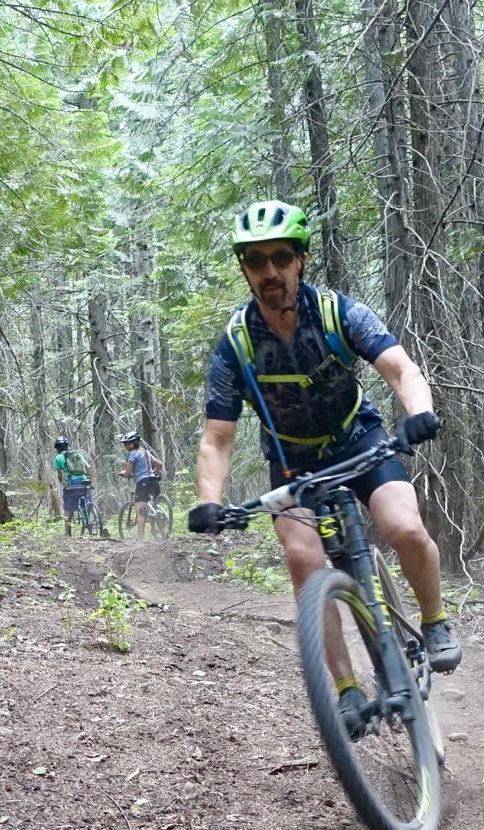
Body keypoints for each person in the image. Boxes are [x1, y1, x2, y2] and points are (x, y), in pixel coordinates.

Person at [185, 200, 461, 731]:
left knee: (403, 526)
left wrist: (419, 413)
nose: (270, 272)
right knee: (304, 563)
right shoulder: (236, 347)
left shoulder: (340, 313)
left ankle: (435, 621)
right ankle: (346, 689)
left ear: (301, 260)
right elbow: (218, 438)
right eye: (256, 261)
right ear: (244, 268)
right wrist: (209, 501)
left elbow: (401, 369)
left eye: (281, 257)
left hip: (358, 439)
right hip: (292, 463)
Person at [120, 432, 164, 526]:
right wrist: (154, 472)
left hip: (142, 483)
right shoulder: (145, 452)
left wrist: (124, 473)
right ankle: (159, 531)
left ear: (132, 444)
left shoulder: (132, 454)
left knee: (141, 512)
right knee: (153, 505)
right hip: (153, 481)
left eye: (126, 443)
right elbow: (159, 464)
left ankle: (140, 539)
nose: (125, 446)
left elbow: (128, 472)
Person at [52, 437, 93, 531]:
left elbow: (60, 475)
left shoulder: (58, 458)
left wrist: (62, 483)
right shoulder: (77, 454)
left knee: (68, 508)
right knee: (86, 504)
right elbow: (88, 466)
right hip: (84, 482)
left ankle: (67, 532)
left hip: (71, 484)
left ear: (57, 448)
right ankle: (90, 522)